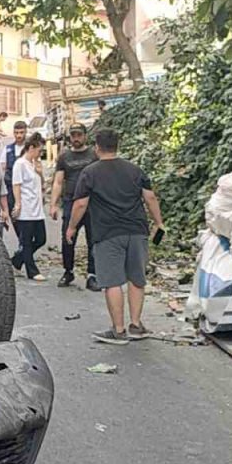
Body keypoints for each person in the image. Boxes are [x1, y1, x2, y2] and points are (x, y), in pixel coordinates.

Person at [66, 128, 165, 344]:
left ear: (97, 147)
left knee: (112, 282)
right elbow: (150, 198)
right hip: (137, 231)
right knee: (136, 278)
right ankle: (136, 325)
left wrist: (72, 227)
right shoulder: (135, 170)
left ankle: (119, 330)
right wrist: (159, 223)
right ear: (117, 145)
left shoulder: (90, 172)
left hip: (108, 232)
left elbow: (81, 203)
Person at [49, 124, 98, 290]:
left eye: (79, 135)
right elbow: (58, 181)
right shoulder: (64, 156)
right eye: (73, 135)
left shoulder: (94, 154)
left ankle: (93, 275)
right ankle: (68, 271)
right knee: (68, 239)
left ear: (85, 136)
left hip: (92, 204)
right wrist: (53, 204)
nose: (76, 138)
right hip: (70, 202)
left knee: (94, 240)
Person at [10, 134, 48, 281]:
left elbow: (42, 185)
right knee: (26, 241)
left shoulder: (34, 164)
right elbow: (16, 185)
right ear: (31, 148)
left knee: (41, 239)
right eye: (39, 150)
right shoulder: (20, 164)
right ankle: (32, 271)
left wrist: (40, 173)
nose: (40, 154)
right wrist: (18, 204)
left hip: (37, 208)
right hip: (26, 208)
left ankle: (17, 260)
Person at [0, 120, 28, 215]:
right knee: (14, 215)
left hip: (26, 189)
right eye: (16, 133)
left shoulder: (30, 149)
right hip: (10, 188)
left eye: (21, 132)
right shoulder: (7, 149)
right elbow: (2, 168)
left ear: (25, 132)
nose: (19, 135)